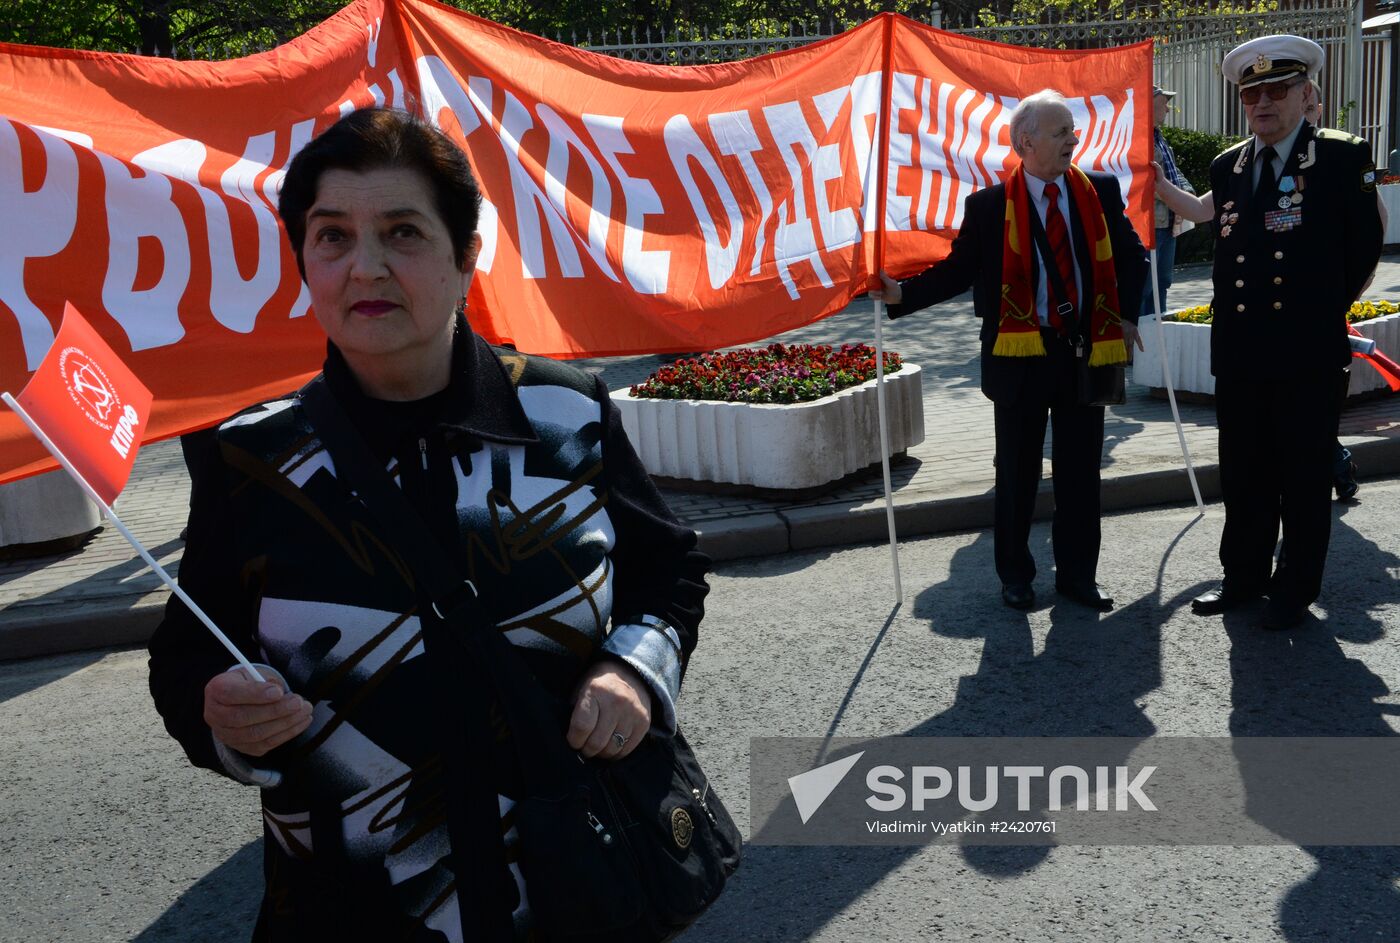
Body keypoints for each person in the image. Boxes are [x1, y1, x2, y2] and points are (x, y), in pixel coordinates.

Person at [147, 107, 710, 940]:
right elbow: (187, 653)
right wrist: (219, 715)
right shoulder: (250, 458)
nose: (364, 267)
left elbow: (667, 576)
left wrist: (633, 670)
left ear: (465, 256)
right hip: (351, 909)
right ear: (304, 259)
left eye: (402, 232)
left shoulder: (569, 411)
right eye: (331, 236)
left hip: (572, 889)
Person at [872, 89, 1148, 612]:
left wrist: (1127, 315)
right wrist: (903, 294)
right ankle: (1016, 576)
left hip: (1084, 353)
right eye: (1061, 131)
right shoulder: (990, 206)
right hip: (1018, 357)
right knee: (1017, 474)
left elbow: (1133, 258)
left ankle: (1078, 578)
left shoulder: (1100, 192)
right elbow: (958, 271)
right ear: (1027, 142)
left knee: (1080, 473)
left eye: (1072, 129)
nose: (1074, 139)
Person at [1162, 35, 1382, 629]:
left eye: (1277, 90)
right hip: (1240, 351)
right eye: (1251, 92)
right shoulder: (1228, 167)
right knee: (1244, 470)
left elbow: (1362, 248)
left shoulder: (1339, 157)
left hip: (1305, 351)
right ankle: (1243, 578)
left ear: (1306, 93)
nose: (1263, 102)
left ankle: (1294, 589)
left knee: (1303, 475)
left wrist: (1318, 313)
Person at [1144, 85, 1194, 319]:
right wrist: (1177, 197)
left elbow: (1174, 171)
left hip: (1167, 223)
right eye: (1164, 102)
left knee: (1162, 283)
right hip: (1150, 226)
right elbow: (1147, 181)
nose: (1167, 107)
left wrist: (1187, 193)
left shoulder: (1158, 136)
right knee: (1145, 288)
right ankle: (1145, 340)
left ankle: (1159, 329)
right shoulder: (1140, 139)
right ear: (1149, 103)